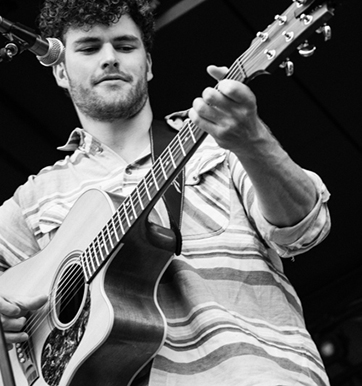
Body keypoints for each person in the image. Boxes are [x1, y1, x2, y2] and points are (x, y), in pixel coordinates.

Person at [0, 0, 331, 385]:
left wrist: (253, 139)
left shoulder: (216, 141)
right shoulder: (33, 198)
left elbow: (306, 231)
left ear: (149, 64)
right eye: (90, 48)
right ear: (59, 69)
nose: (109, 58)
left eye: (125, 46)